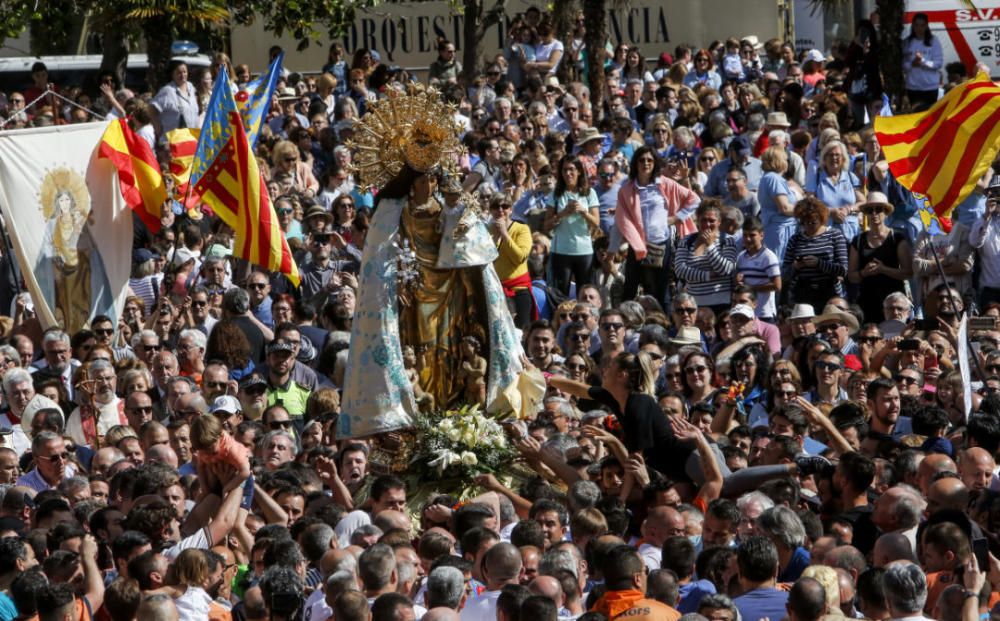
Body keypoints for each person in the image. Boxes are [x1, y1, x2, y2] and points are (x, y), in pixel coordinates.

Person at [615, 146, 700, 306]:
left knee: (660, 290)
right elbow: (623, 217)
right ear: (635, 163)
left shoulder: (664, 184)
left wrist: (676, 218)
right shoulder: (626, 189)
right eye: (642, 160)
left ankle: (664, 325)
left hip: (660, 242)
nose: (646, 163)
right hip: (638, 243)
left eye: (650, 160)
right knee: (630, 289)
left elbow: (694, 199)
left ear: (655, 163)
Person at [848, 192, 913, 324]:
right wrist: (864, 273)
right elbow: (851, 275)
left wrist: (883, 269)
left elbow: (908, 272)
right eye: (870, 210)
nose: (874, 214)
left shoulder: (897, 238)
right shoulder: (858, 240)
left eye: (878, 209)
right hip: (867, 301)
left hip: (893, 304)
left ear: (886, 212)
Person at [544, 155, 600, 297]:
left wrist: (583, 212)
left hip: (584, 251)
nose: (568, 173)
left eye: (571, 169)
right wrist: (562, 214)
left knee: (586, 293)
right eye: (564, 170)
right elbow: (546, 226)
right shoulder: (555, 195)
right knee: (560, 295)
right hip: (561, 251)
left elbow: (596, 223)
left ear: (579, 171)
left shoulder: (589, 193)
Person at [783, 197, 848, 310]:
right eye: (804, 222)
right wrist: (796, 266)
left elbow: (843, 270)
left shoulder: (835, 235)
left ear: (821, 218)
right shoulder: (795, 239)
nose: (808, 225)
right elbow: (785, 273)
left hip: (829, 291)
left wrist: (819, 263)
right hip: (802, 292)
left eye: (813, 222)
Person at [903, 13, 944, 112]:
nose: (919, 28)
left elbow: (938, 63)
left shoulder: (933, 41)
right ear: (913, 26)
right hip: (913, 88)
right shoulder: (907, 42)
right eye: (916, 25)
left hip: (930, 87)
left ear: (926, 26)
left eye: (922, 25)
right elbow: (903, 65)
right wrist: (912, 64)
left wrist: (922, 61)